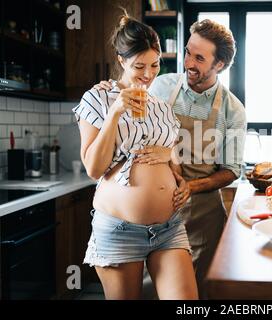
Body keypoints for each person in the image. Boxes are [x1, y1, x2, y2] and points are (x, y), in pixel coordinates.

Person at [95, 19, 247, 297]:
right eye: (188, 52)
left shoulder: (233, 110)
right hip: (149, 221)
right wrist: (114, 87)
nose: (188, 62)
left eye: (199, 58)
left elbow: (231, 169)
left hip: (203, 217)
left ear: (219, 65)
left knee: (196, 295)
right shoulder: (161, 86)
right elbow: (128, 124)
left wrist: (190, 187)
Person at [74, 12, 198, 300]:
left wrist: (180, 179)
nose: (148, 73)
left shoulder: (161, 106)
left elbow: (172, 162)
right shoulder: (98, 98)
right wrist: (115, 112)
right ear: (120, 60)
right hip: (119, 229)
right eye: (138, 65)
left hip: (169, 227)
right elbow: (94, 168)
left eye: (154, 64)